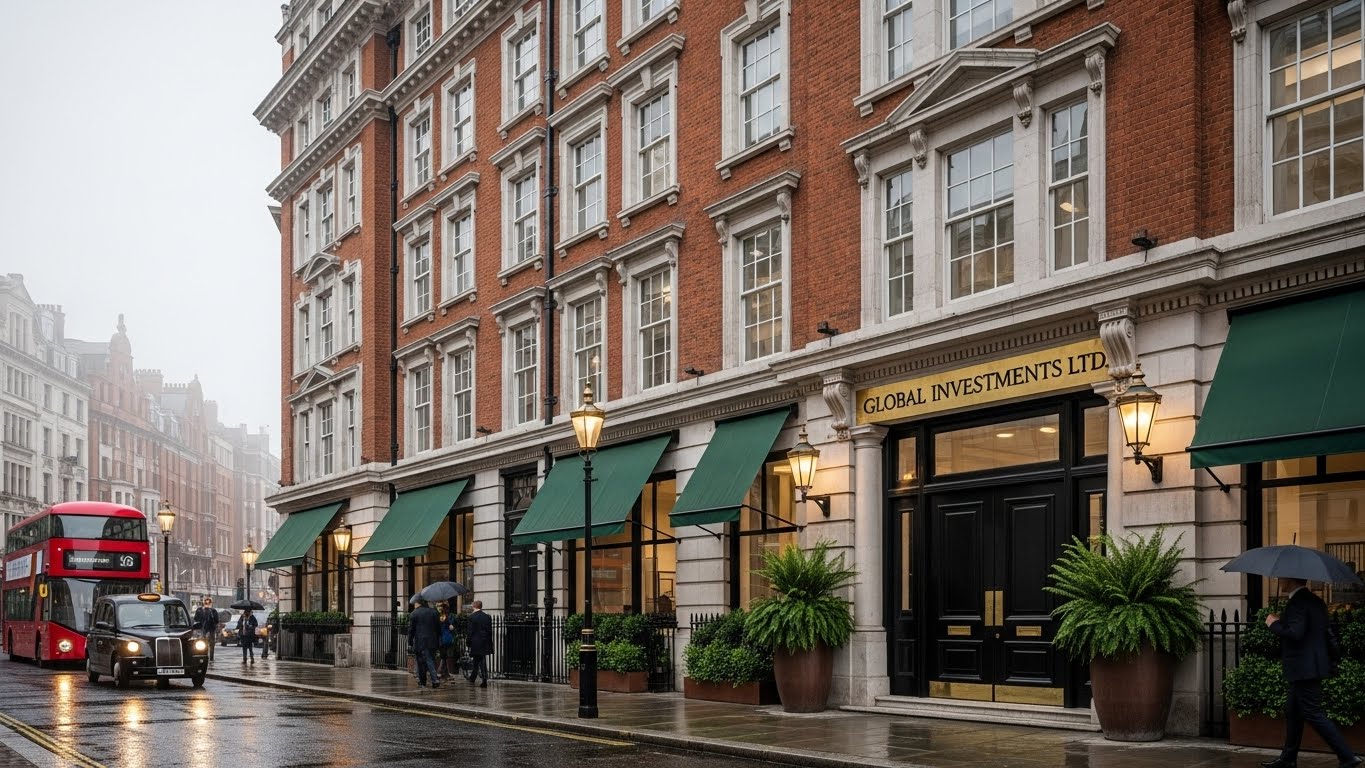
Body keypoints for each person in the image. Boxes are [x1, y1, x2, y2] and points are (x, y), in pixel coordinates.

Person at [1262, 577, 1362, 768]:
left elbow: (1295, 633)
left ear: (1291, 580)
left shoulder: (1298, 602)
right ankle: (1288, 758)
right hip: (1310, 666)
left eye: (1282, 578)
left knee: (1313, 712)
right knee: (1293, 711)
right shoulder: (1316, 601)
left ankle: (1347, 756)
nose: (1279, 581)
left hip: (1303, 668)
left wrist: (1274, 623)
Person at [408, 598, 441, 689]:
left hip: (421, 641)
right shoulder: (434, 612)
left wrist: (410, 642)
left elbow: (411, 630)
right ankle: (421, 679)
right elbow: (438, 628)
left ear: (417, 603)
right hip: (433, 641)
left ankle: (434, 679)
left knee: (424, 660)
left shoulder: (414, 613)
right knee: (431, 659)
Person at [466, 600, 492, 688]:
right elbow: (489, 631)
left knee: (481, 661)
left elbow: (470, 632)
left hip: (476, 642)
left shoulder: (471, 617)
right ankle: (473, 677)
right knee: (477, 660)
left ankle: (484, 679)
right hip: (484, 642)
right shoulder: (487, 617)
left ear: (474, 606)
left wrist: (468, 642)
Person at [436, 603, 455, 680]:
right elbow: (451, 627)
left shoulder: (437, 616)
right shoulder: (444, 616)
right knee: (444, 655)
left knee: (444, 655)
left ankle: (444, 673)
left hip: (440, 638)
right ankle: (440, 672)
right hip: (444, 638)